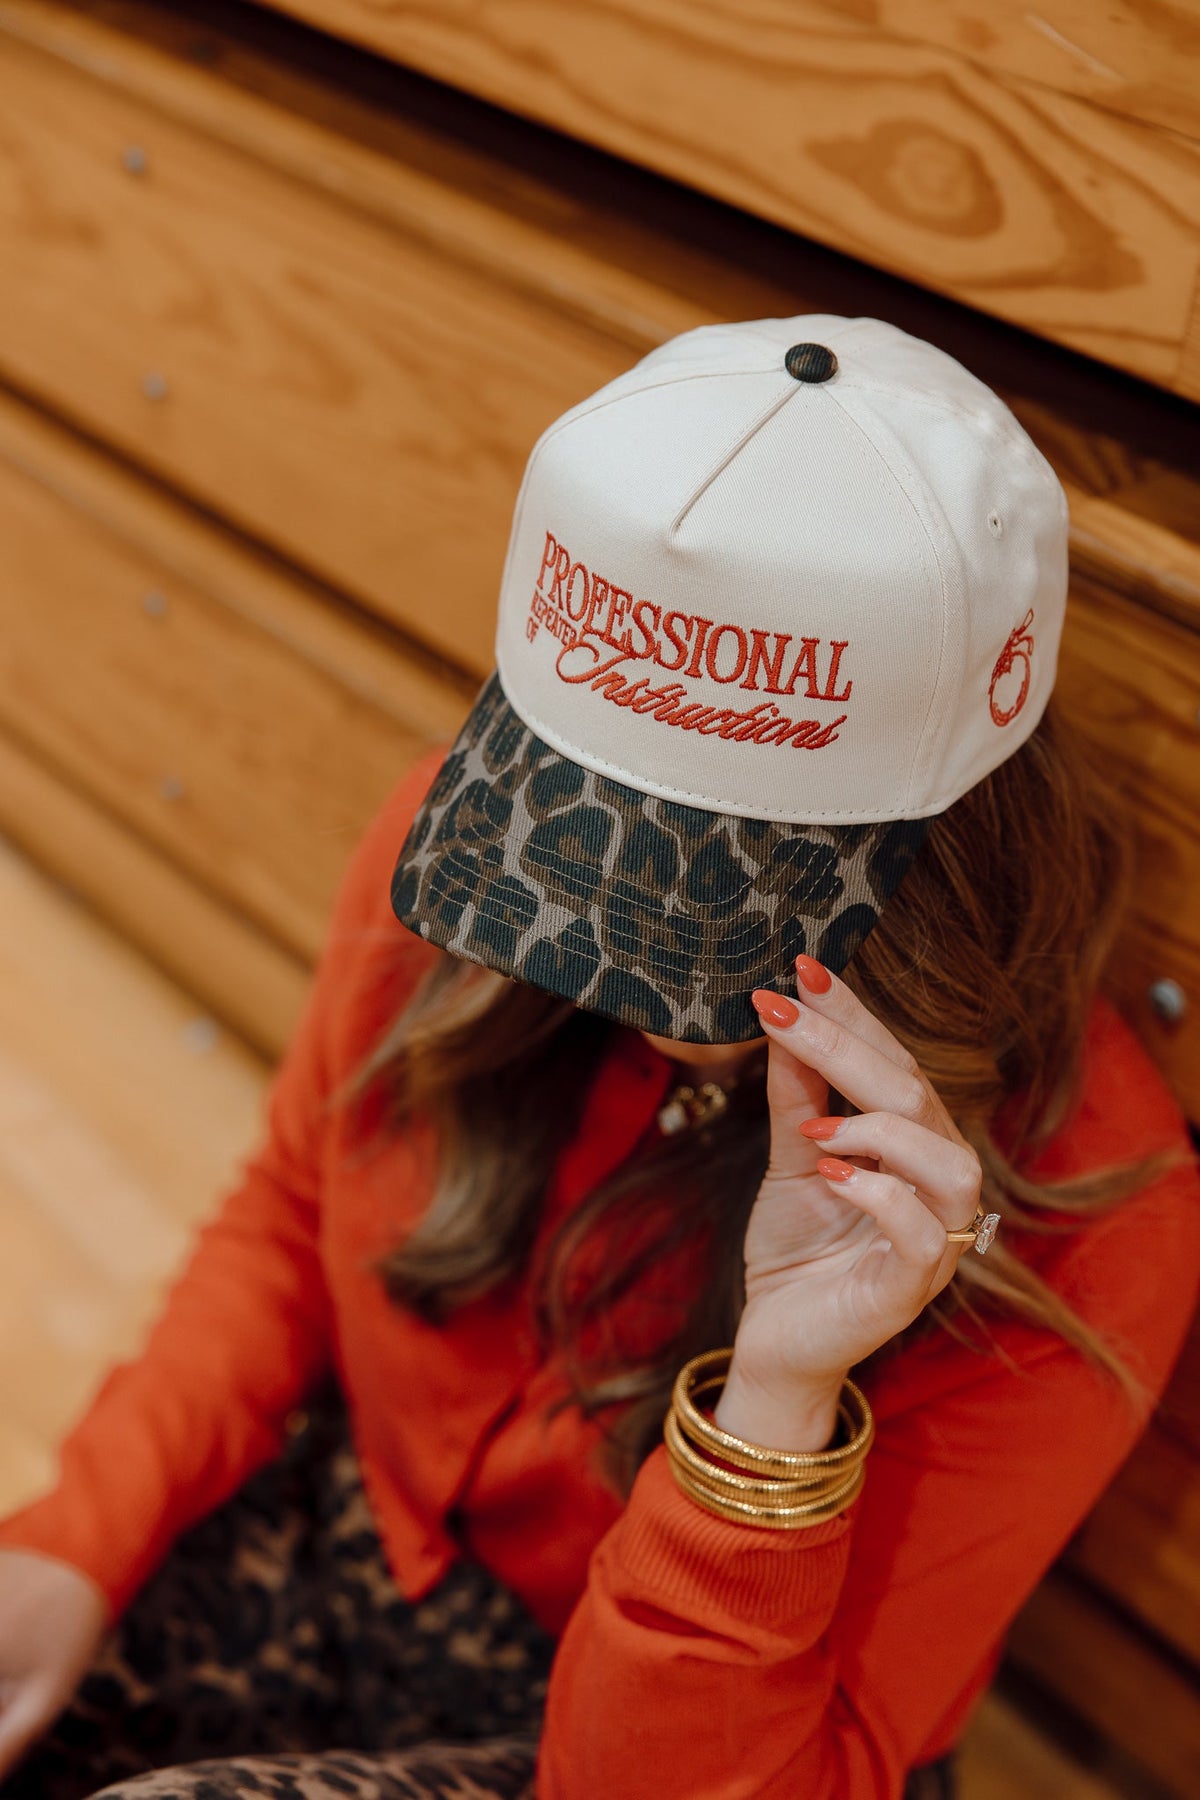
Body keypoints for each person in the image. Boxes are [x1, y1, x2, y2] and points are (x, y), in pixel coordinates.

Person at [0, 315, 1197, 1800]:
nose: (597, 951)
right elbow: (297, 1215)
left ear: (948, 833)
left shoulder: (1085, 1205)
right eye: (577, 819)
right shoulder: (466, 844)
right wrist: (77, 1538)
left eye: (709, 882)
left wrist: (777, 1404)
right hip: (350, 1537)